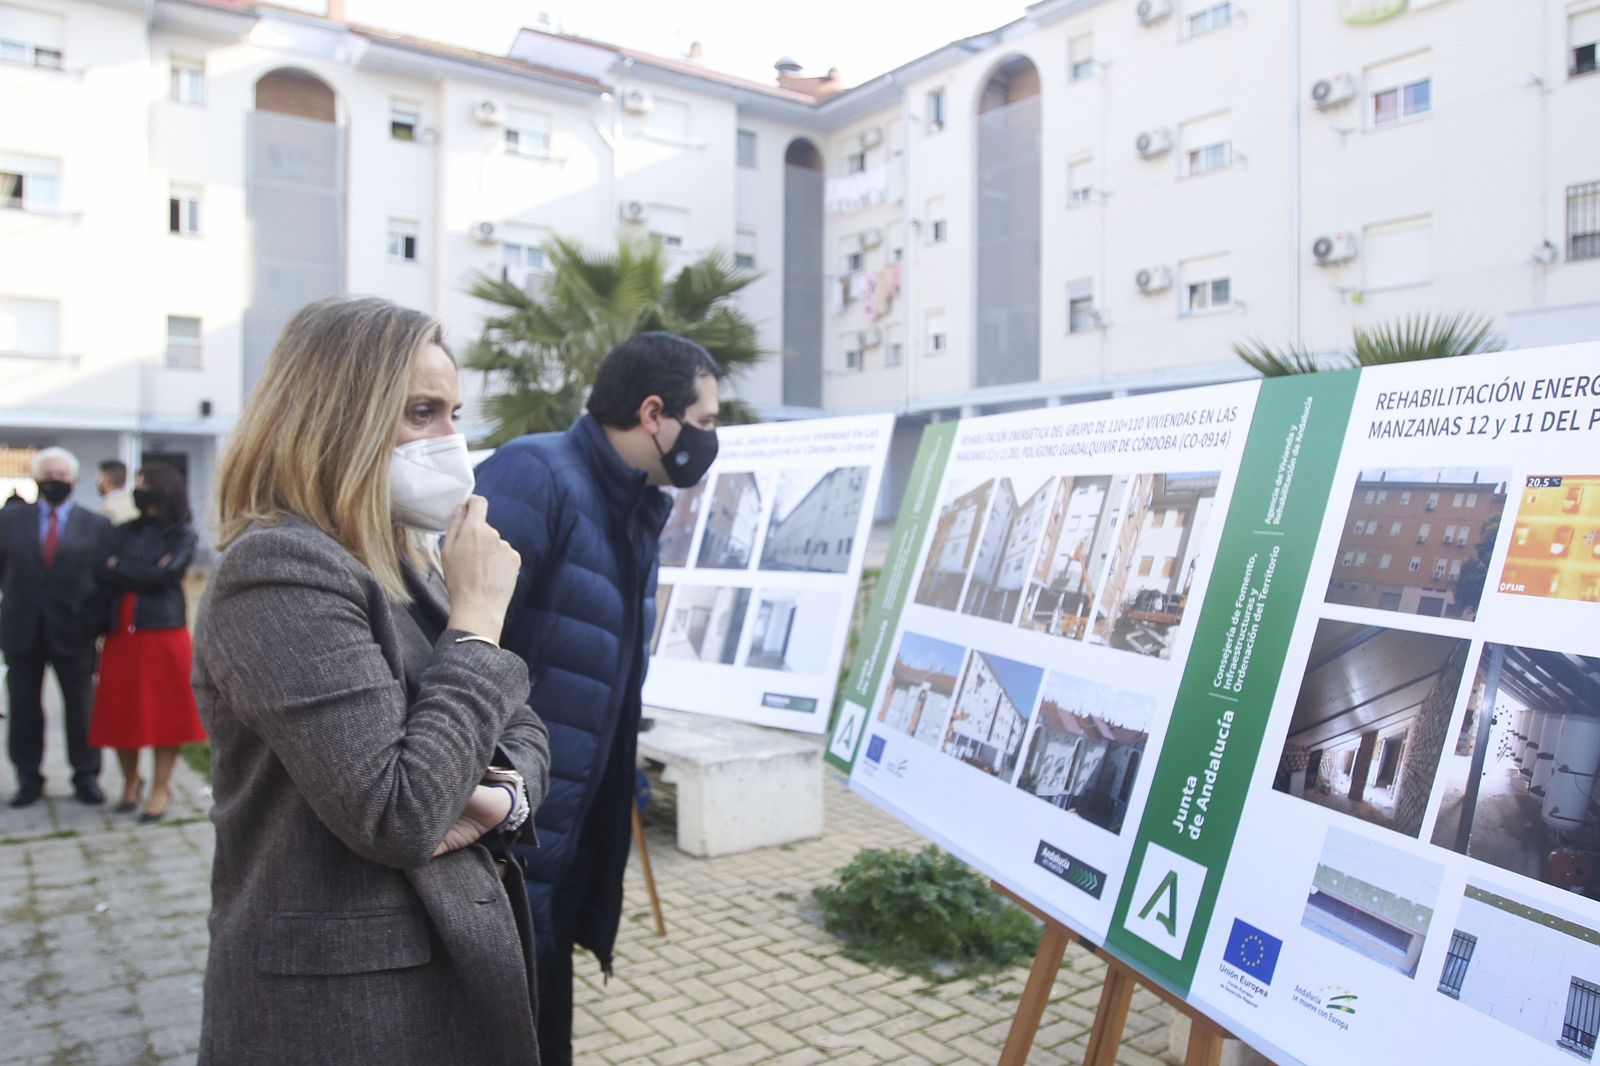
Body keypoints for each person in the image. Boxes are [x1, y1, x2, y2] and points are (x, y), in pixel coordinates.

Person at [191, 295, 549, 1064]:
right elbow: (401, 812)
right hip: (343, 1012)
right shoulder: (279, 571)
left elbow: (521, 725)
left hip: (427, 974)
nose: (451, 443)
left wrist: (504, 794)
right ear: (336, 415)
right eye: (422, 412)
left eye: (454, 414)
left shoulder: (394, 560)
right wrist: (479, 617)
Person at [475, 330, 722, 1065]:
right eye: (705, 422)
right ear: (654, 414)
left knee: (547, 1026)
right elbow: (461, 648)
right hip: (507, 830)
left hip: (567, 824)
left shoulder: (636, 506)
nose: (712, 441)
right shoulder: (535, 476)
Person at [88, 463, 207, 821]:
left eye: (143, 485)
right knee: (120, 712)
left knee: (164, 714)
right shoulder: (122, 531)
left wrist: (121, 569)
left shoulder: (182, 535)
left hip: (162, 633)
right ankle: (129, 781)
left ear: (163, 489)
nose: (137, 491)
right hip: (121, 633)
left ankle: (161, 787)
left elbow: (166, 575)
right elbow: (101, 570)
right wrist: (143, 572)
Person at [0, 447, 111, 807]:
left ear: (75, 481)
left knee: (81, 709)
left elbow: (103, 580)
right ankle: (28, 778)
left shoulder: (96, 525)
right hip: (21, 630)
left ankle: (86, 777)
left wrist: (95, 624)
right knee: (24, 709)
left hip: (74, 633)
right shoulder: (10, 521)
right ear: (36, 479)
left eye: (62, 476)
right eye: (49, 475)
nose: (55, 482)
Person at [96, 459, 139, 526]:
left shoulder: (108, 510)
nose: (97, 482)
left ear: (105, 480)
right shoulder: (135, 503)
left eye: (98, 478)